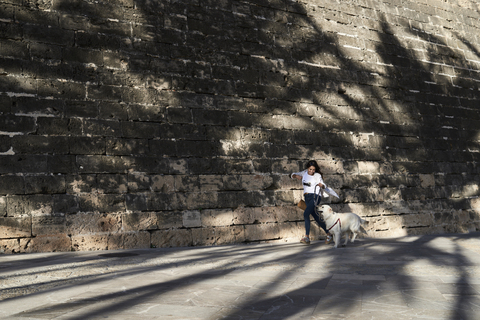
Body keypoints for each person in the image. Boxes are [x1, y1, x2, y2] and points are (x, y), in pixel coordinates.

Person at [291, 160, 333, 245]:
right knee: (316, 216)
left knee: (306, 214)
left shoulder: (317, 175)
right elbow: (291, 175)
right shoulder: (304, 173)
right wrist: (295, 176)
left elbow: (323, 184)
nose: (311, 171)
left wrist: (322, 185)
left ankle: (306, 237)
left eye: (313, 169)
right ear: (307, 168)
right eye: (310, 169)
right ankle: (329, 234)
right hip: (307, 197)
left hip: (315, 197)